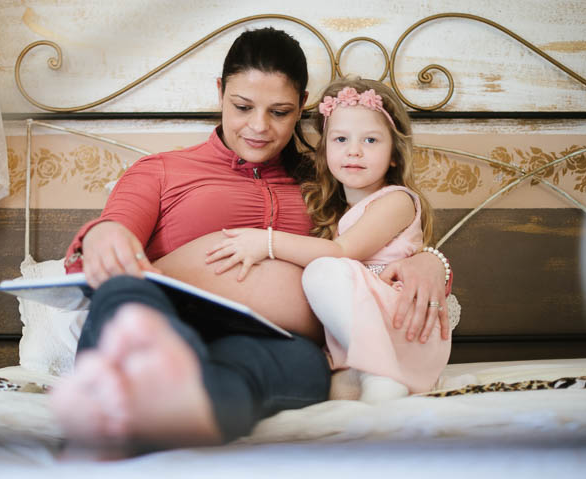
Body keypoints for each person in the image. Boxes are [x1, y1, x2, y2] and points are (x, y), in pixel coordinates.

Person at [50, 28, 451, 455]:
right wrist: (103, 232)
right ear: (220, 92)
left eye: (280, 112)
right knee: (126, 294)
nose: (259, 127)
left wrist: (431, 262)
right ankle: (122, 399)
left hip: (275, 344)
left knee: (278, 368)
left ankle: (159, 414)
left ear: (302, 107)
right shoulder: (160, 171)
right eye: (242, 107)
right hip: (167, 319)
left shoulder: (328, 181)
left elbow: (381, 238)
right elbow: (112, 233)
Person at [205, 78, 451, 394]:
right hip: (357, 340)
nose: (354, 151)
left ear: (394, 154)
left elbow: (343, 251)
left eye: (371, 141)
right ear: (324, 149)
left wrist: (267, 242)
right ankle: (373, 373)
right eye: (340, 139)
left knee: (323, 269)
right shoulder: (336, 212)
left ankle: (382, 373)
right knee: (335, 396)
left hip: (401, 324)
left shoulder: (397, 200)